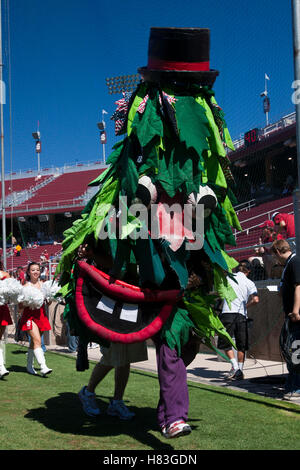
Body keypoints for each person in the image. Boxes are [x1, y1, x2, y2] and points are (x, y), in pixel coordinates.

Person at [78, 341, 148, 420]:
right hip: (112, 329)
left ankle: (117, 402)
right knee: (110, 356)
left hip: (130, 329)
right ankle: (87, 393)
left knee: (126, 358)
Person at [217, 262, 259, 380]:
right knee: (242, 344)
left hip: (227, 313)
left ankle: (235, 367)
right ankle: (239, 370)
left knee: (225, 342)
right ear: (249, 271)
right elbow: (255, 300)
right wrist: (245, 305)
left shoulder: (227, 278)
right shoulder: (250, 282)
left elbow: (220, 293)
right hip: (241, 315)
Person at [271, 239, 300, 399]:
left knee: (295, 351)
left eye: (274, 256)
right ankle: (293, 385)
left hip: (295, 316)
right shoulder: (290, 263)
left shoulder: (294, 262)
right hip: (290, 315)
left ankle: (297, 387)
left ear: (277, 251)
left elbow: (299, 286)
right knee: (290, 349)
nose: (275, 261)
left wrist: (296, 310)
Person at [18, 262, 52, 376]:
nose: (35, 272)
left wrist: (50, 297)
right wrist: (28, 302)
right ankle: (43, 366)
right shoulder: (25, 287)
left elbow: (49, 302)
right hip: (29, 316)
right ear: (28, 272)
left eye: (37, 269)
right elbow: (20, 306)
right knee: (37, 340)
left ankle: (29, 366)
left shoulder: (44, 285)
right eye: (33, 270)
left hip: (41, 316)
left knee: (33, 342)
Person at [0, 263, 12, 378]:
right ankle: (1, 367)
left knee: (0, 337)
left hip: (2, 308)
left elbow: (11, 292)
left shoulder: (6, 275)